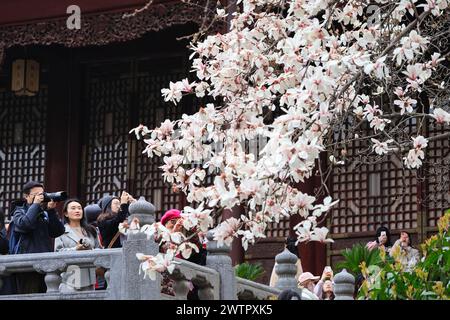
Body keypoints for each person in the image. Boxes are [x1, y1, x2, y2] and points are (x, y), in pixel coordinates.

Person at [10, 181, 65, 293]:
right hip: (28, 266)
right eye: (37, 194)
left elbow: (57, 232)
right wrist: (35, 205)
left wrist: (51, 211)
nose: (41, 196)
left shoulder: (43, 213)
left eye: (42, 193)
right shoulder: (19, 211)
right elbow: (26, 225)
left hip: (47, 264)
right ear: (26, 196)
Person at [55, 199, 102, 292]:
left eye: (79, 208)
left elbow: (99, 249)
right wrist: (75, 249)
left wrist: (90, 250)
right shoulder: (61, 231)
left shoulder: (91, 230)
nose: (77, 210)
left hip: (89, 278)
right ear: (66, 213)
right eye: (73, 208)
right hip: (70, 278)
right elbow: (57, 253)